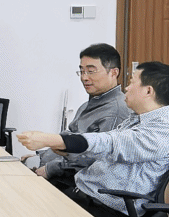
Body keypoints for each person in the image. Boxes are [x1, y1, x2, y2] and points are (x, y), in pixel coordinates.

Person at [16, 61, 169, 217]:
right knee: (23, 202)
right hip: (87, 195)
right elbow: (102, 149)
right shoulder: (138, 120)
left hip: (108, 209)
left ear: (148, 91)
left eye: (132, 82)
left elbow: (108, 143)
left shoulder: (164, 132)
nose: (127, 88)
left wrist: (50, 139)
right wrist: (64, 149)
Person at [29, 44, 135, 192]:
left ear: (113, 73)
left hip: (77, 185)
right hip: (56, 172)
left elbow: (96, 161)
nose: (84, 77)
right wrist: (42, 156)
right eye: (82, 71)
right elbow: (66, 141)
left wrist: (49, 169)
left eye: (91, 71)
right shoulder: (88, 104)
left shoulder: (116, 112)